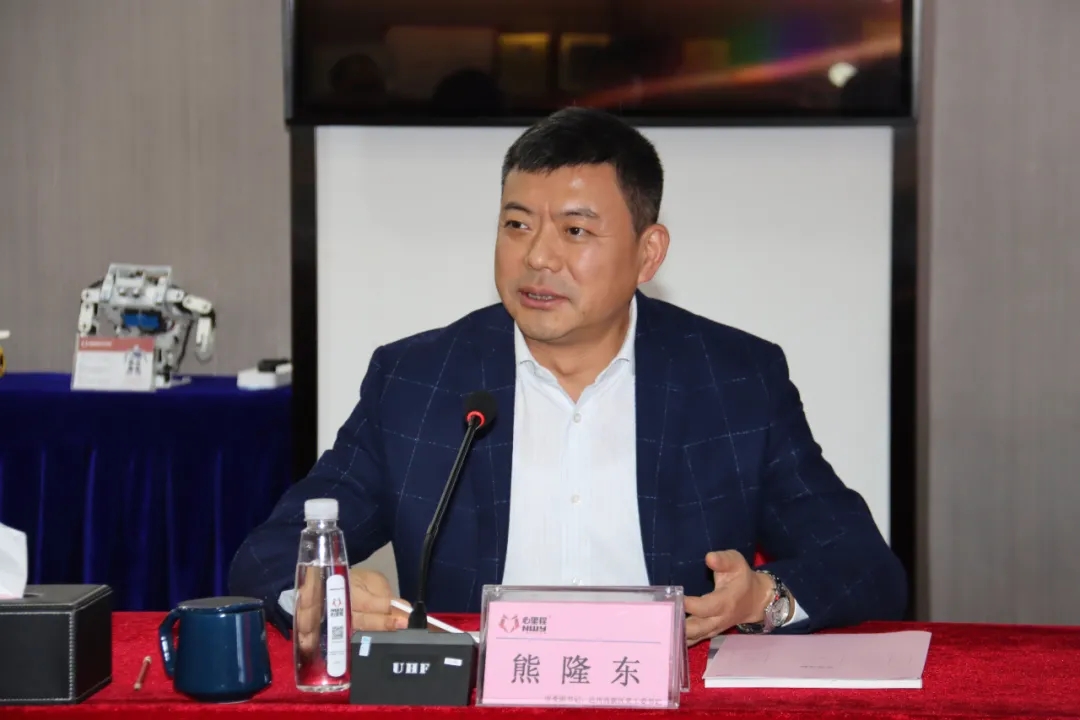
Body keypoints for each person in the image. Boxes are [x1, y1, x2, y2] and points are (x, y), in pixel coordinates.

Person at [229, 107, 907, 648]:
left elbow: (863, 565)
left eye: (576, 232)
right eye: (517, 224)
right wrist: (316, 596)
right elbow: (271, 553)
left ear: (648, 253)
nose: (538, 257)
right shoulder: (418, 380)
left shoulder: (734, 381)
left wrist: (763, 598)